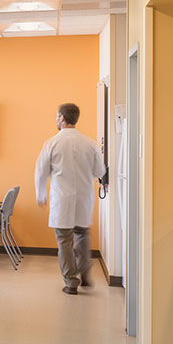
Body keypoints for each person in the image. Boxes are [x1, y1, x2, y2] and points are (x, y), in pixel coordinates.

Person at [35, 102, 106, 295]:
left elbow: (41, 172)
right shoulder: (90, 143)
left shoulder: (52, 143)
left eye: (57, 116)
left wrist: (40, 194)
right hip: (84, 199)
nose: (57, 119)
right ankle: (85, 273)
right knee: (83, 235)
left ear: (62, 118)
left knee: (64, 240)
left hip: (62, 200)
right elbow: (100, 171)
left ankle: (71, 281)